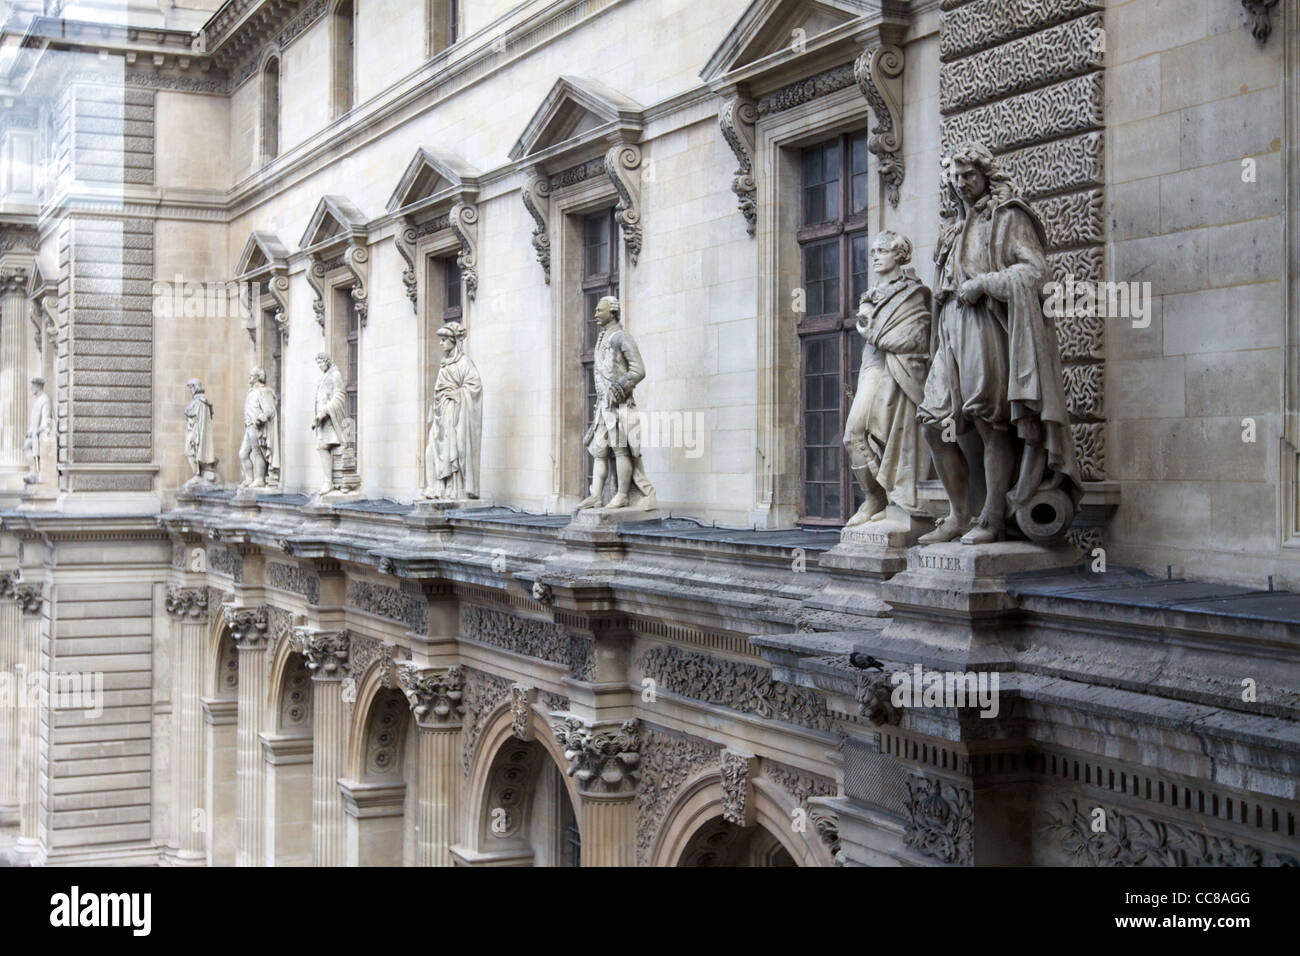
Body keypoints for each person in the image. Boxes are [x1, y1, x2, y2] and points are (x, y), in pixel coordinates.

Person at [917, 142, 1081, 544]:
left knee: (990, 423)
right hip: (952, 325)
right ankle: (959, 515)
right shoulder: (954, 227)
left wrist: (985, 283)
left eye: (968, 176)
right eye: (954, 178)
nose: (960, 185)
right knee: (935, 424)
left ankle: (992, 519)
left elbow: (1036, 273)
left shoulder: (1008, 218)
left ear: (985, 174)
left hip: (986, 321)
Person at [842, 231, 931, 527]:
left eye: (883, 251)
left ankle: (895, 500)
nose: (876, 256)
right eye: (873, 252)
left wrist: (873, 331)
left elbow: (917, 337)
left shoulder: (914, 292)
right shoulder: (871, 295)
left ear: (899, 255)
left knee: (893, 437)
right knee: (852, 434)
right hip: (872, 367)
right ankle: (874, 497)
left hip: (900, 369)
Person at [576, 296, 655, 511]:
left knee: (621, 451)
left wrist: (620, 387)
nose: (595, 314)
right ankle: (596, 496)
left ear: (612, 312)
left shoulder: (622, 337)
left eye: (599, 310)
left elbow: (638, 370)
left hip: (619, 406)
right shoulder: (602, 338)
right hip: (603, 406)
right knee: (599, 452)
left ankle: (622, 495)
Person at [422, 321, 483, 500]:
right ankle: (438, 486)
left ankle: (455, 488)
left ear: (453, 341)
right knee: (433, 448)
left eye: (443, 340)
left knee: (453, 447)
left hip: (455, 412)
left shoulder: (465, 362)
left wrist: (458, 394)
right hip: (442, 413)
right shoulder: (445, 364)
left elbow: (475, 387)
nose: (440, 344)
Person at [239, 366, 280, 488]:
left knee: (258, 453)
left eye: (252, 375)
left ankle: (260, 479)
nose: (249, 377)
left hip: (257, 425)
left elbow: (270, 409)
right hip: (249, 425)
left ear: (258, 377)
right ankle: (249, 478)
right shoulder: (252, 392)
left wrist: (262, 417)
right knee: (243, 454)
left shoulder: (264, 391)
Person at [312, 352, 347, 495]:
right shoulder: (324, 377)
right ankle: (329, 480)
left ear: (327, 361)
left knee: (323, 445)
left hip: (330, 418)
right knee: (321, 446)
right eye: (318, 363)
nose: (320, 366)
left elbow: (339, 396)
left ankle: (329, 481)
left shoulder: (335, 375)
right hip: (322, 419)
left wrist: (324, 412)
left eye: (321, 362)